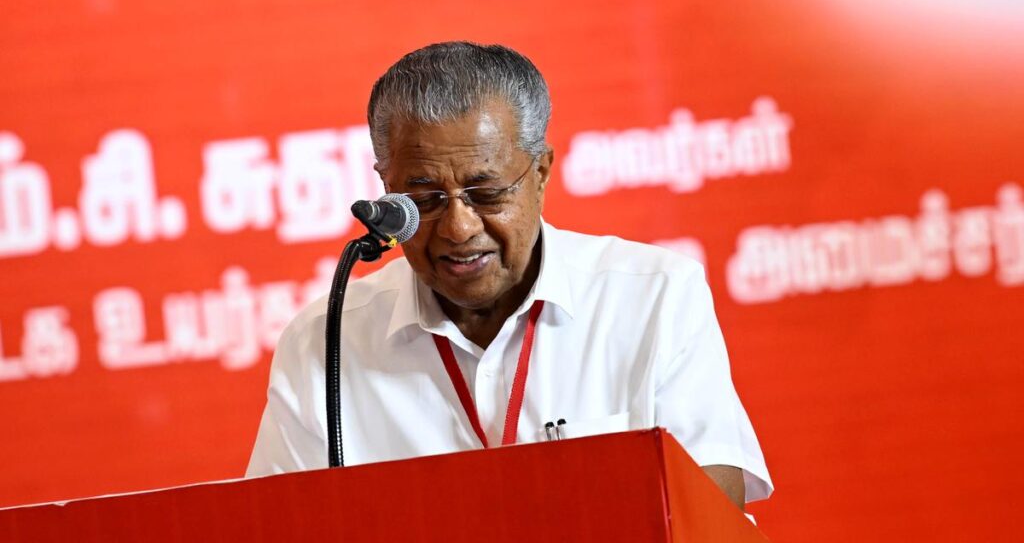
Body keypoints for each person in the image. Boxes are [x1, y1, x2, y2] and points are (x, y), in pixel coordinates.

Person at [246, 41, 772, 509]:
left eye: (488, 193)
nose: (458, 227)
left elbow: (708, 508)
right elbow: (275, 525)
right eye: (424, 198)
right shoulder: (325, 340)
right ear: (385, 184)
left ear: (540, 173)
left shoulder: (654, 296)